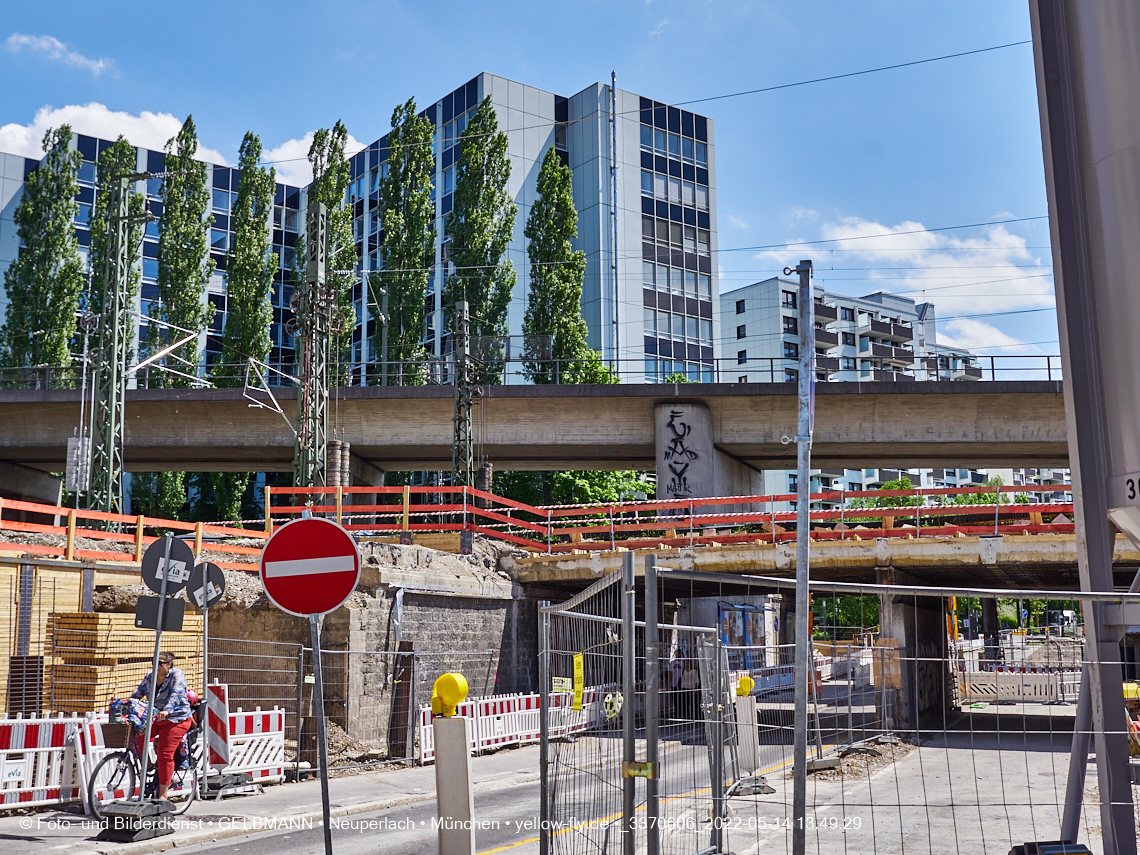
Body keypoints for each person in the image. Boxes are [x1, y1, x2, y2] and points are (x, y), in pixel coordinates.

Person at [131, 652, 192, 800]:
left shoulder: (177, 674)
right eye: (154, 662)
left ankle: (163, 794)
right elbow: (137, 694)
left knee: (165, 754)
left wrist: (167, 710)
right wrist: (125, 706)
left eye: (160, 663)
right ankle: (150, 765)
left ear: (169, 664)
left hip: (177, 719)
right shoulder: (150, 677)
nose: (156, 666)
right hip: (156, 718)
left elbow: (176, 695)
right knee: (135, 735)